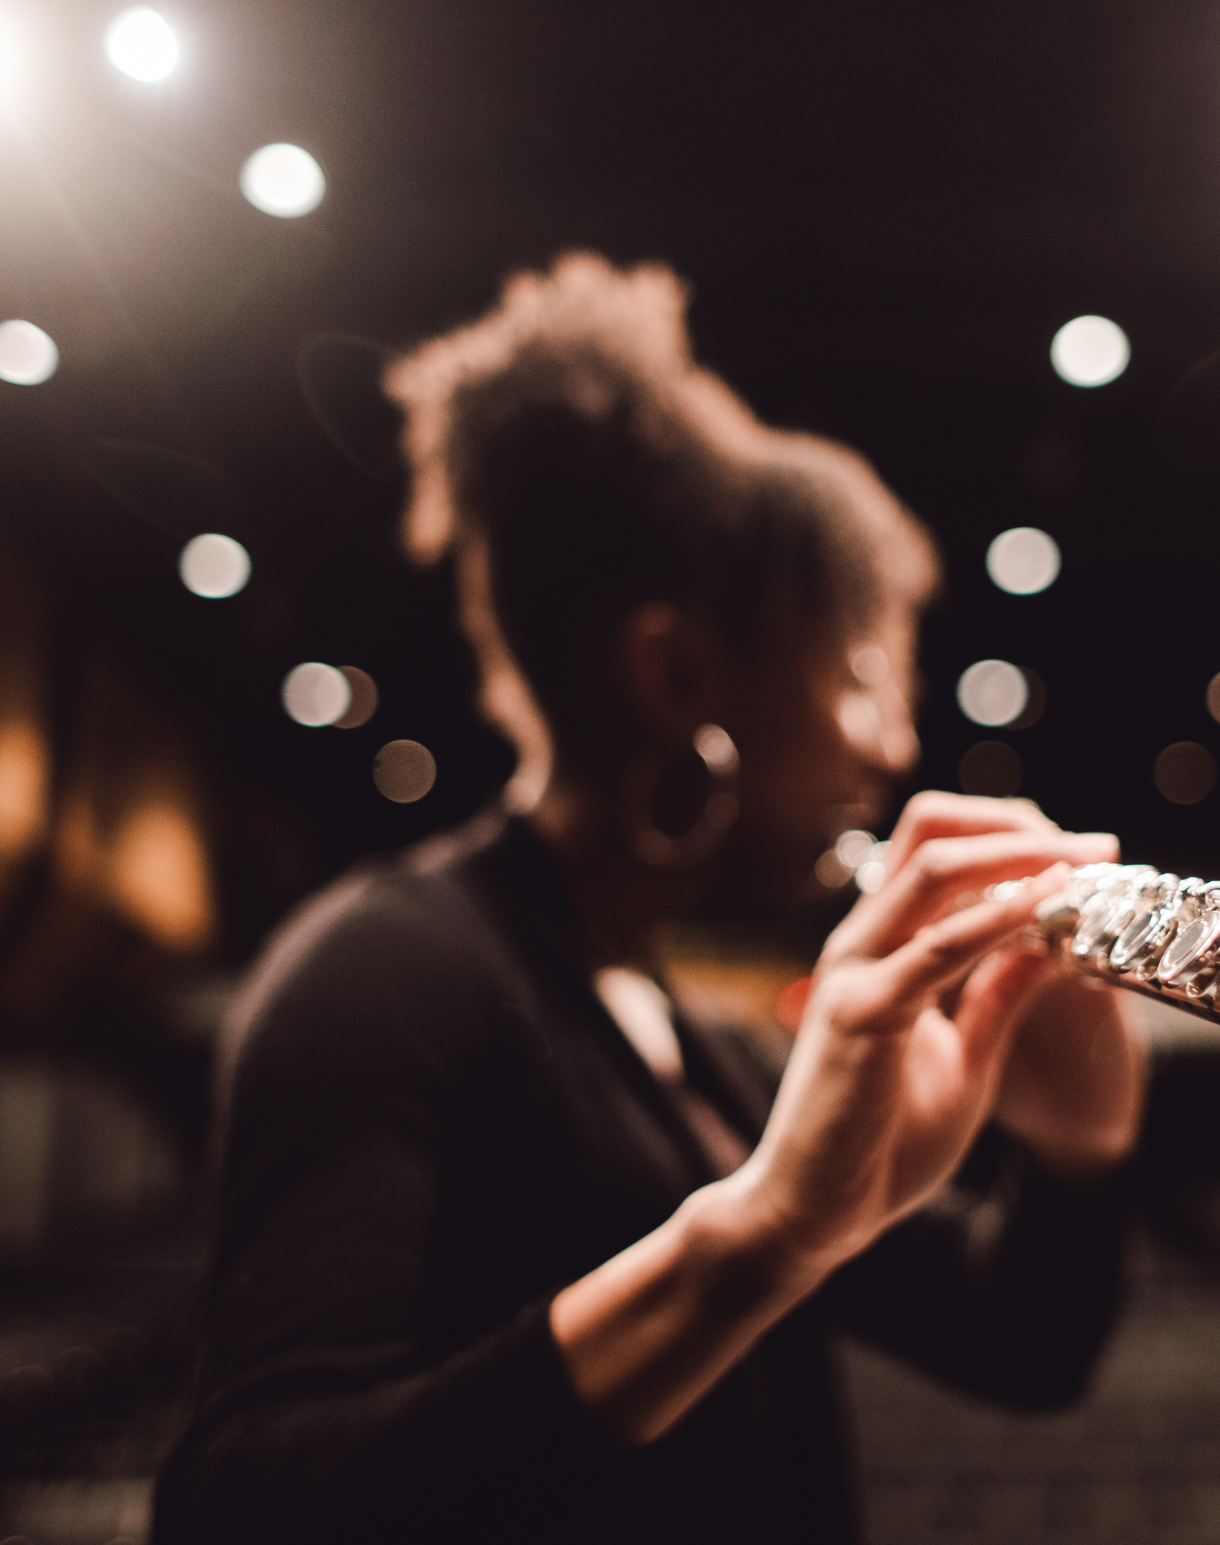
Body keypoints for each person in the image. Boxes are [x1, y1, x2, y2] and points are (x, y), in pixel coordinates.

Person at [153, 253, 1148, 1544]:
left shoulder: (692, 1039)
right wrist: (760, 1240)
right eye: (856, 677)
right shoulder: (383, 974)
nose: (891, 746)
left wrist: (1080, 1150)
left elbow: (1023, 1350)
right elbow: (245, 1504)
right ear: (675, 674)